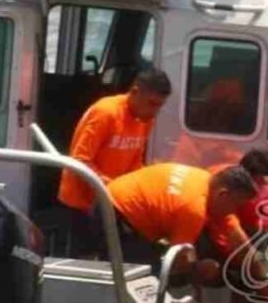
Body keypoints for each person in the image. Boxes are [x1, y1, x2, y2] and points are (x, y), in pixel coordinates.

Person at [58, 67, 172, 255]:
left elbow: (136, 162)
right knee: (83, 261)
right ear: (135, 92)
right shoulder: (106, 112)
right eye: (152, 104)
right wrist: (112, 187)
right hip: (82, 202)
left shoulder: (145, 119)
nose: (155, 112)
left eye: (160, 106)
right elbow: (80, 161)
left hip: (112, 202)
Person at [95, 163, 257, 267]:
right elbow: (178, 260)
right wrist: (199, 269)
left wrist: (266, 281)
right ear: (223, 194)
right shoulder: (194, 209)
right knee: (144, 276)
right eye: (237, 205)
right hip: (118, 214)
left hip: (110, 198)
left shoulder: (205, 179)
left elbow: (239, 241)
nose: (234, 211)